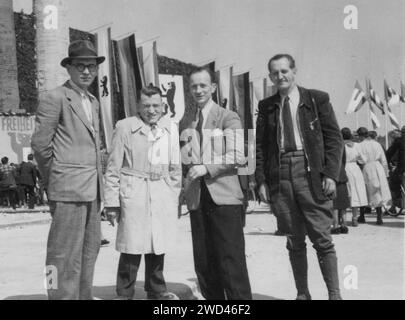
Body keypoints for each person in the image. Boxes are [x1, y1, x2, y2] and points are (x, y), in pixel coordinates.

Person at [255, 54, 344, 300]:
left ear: (294, 71)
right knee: (294, 239)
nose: (280, 76)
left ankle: (334, 295)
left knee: (322, 238)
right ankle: (302, 294)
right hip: (281, 174)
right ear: (270, 76)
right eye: (274, 73)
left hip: (311, 172)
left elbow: (334, 140)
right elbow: (260, 147)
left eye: (284, 71)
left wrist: (330, 174)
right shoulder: (267, 106)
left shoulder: (317, 99)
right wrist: (261, 180)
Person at [31, 40, 105, 300]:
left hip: (93, 191)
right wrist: (57, 179)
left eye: (91, 66)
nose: (87, 71)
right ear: (69, 68)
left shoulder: (93, 101)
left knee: (89, 251)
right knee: (61, 255)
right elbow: (40, 146)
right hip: (67, 189)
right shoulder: (55, 97)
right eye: (80, 66)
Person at [104, 85, 181, 300]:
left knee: (158, 244)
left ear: (163, 106)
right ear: (138, 105)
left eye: (156, 105)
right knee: (132, 245)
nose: (151, 110)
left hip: (161, 191)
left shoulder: (170, 128)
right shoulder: (124, 127)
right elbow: (113, 167)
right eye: (146, 105)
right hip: (134, 191)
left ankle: (157, 290)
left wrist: (173, 196)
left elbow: (176, 168)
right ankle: (124, 291)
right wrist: (112, 203)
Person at [182, 67, 252, 300]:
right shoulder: (187, 121)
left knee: (230, 263)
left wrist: (206, 168)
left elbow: (238, 155)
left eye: (203, 85)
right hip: (197, 200)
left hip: (224, 198)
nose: (198, 90)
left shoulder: (227, 117)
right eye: (194, 86)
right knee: (204, 264)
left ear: (213, 87)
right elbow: (186, 161)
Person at [356, 127, 391, 225]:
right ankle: (379, 217)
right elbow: (383, 159)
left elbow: (359, 159)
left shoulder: (360, 146)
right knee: (377, 191)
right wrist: (386, 173)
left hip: (367, 167)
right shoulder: (377, 144)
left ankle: (362, 215)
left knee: (365, 190)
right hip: (378, 167)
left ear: (360, 136)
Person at [341, 128, 368, 226]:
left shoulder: (340, 145)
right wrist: (358, 161)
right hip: (355, 169)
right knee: (356, 192)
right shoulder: (357, 145)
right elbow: (364, 159)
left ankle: (343, 219)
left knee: (344, 193)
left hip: (344, 168)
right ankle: (355, 218)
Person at [385, 126, 405, 211]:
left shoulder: (399, 141)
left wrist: (387, 163)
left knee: (392, 184)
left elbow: (389, 153)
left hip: (402, 169)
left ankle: (396, 204)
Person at [331, 150, 350, 234]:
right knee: (343, 200)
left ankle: (335, 226)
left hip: (330, 172)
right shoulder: (341, 142)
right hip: (341, 171)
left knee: (334, 201)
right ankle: (344, 225)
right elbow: (344, 159)